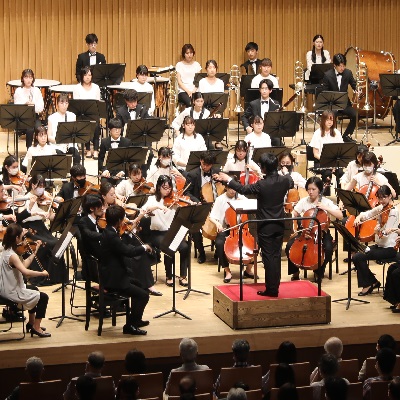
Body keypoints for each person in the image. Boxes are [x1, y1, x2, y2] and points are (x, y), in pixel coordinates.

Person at [215, 153, 293, 296]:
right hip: (279, 224)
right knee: (275, 256)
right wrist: (286, 172)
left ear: (263, 169)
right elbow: (290, 181)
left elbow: (244, 189)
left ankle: (272, 289)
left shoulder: (261, 185)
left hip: (265, 226)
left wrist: (229, 180)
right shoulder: (284, 180)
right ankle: (275, 285)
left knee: (268, 257)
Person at [99, 205, 151, 335]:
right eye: (123, 219)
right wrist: (144, 247)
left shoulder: (108, 231)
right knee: (143, 295)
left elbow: (121, 247)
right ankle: (130, 326)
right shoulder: (112, 236)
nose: (124, 221)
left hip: (114, 274)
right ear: (118, 221)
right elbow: (129, 252)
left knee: (140, 285)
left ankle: (136, 319)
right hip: (114, 280)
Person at [286, 176, 342, 281]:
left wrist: (325, 208)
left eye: (313, 189)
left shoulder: (326, 201)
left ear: (319, 190)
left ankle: (318, 271)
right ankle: (295, 272)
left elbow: (340, 215)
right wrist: (292, 221)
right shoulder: (303, 201)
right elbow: (294, 213)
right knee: (289, 246)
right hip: (304, 232)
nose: (310, 192)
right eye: (308, 189)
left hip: (321, 234)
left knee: (328, 249)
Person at [139, 175, 191, 287]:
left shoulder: (174, 200)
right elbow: (143, 210)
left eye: (169, 188)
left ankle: (183, 276)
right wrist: (157, 207)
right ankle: (169, 275)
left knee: (185, 247)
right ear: (158, 187)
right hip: (157, 234)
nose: (167, 191)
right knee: (168, 246)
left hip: (172, 231)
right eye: (164, 187)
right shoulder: (152, 199)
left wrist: (190, 204)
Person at [0, 224, 50, 337]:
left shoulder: (6, 249)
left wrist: (34, 252)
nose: (24, 240)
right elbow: (25, 272)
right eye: (22, 237)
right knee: (43, 297)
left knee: (34, 289)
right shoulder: (12, 255)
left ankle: (31, 323)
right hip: (11, 291)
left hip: (5, 288)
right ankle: (36, 328)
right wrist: (42, 273)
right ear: (17, 238)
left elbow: (23, 265)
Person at [352, 185, 399, 296]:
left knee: (358, 257)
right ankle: (372, 282)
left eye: (384, 197)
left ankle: (369, 284)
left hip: (389, 248)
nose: (381, 200)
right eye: (379, 198)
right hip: (379, 246)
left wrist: (380, 231)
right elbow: (367, 214)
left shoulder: (394, 212)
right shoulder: (380, 208)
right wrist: (359, 218)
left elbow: (386, 234)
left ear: (390, 196)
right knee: (356, 255)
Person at [208, 178, 253, 283]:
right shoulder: (220, 199)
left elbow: (252, 207)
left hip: (242, 229)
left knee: (256, 242)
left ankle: (248, 269)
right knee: (219, 243)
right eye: (231, 188)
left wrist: (243, 204)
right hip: (227, 229)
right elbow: (212, 217)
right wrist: (218, 224)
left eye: (235, 189)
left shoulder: (241, 197)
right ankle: (227, 270)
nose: (233, 191)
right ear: (226, 187)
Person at [184, 151, 220, 263]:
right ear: (200, 161)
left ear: (212, 164)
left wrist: (220, 179)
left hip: (215, 206)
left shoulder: (217, 172)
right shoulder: (192, 174)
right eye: (203, 164)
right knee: (195, 228)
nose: (205, 167)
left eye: (208, 165)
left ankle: (218, 253)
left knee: (223, 224)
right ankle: (201, 253)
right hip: (199, 206)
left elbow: (224, 189)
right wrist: (196, 201)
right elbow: (186, 192)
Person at [321, 53, 357, 142]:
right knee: (332, 115)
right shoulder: (328, 75)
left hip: (344, 104)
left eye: (344, 66)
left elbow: (354, 85)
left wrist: (357, 90)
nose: (342, 68)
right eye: (340, 66)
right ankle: (332, 137)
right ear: (335, 65)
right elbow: (324, 92)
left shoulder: (348, 73)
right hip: (332, 104)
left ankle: (346, 135)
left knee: (355, 115)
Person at [309, 110, 344, 187]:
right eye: (327, 120)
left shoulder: (337, 133)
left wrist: (334, 164)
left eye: (331, 120)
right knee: (327, 173)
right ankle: (324, 193)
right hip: (321, 161)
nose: (329, 122)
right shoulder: (317, 133)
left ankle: (339, 193)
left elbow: (341, 150)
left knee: (341, 173)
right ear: (323, 120)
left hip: (335, 162)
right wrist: (328, 163)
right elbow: (315, 154)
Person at [73, 66, 101, 159]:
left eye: (89, 75)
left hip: (93, 113)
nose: (88, 77)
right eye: (85, 75)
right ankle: (88, 149)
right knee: (85, 124)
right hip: (82, 114)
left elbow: (98, 103)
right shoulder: (77, 88)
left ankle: (96, 150)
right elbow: (76, 104)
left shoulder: (96, 87)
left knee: (96, 125)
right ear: (82, 76)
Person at [242, 79, 281, 146]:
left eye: (266, 89)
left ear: (270, 90)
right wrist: (247, 127)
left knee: (279, 143)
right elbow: (244, 116)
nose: (264, 91)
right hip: (257, 132)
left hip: (271, 134)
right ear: (260, 90)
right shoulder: (253, 104)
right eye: (262, 88)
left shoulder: (276, 104)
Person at [13, 69, 44, 149]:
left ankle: (38, 149)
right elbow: (16, 106)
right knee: (29, 129)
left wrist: (33, 105)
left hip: (34, 116)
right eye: (26, 77)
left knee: (39, 129)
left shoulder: (37, 90)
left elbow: (41, 107)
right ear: (23, 79)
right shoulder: (18, 91)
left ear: (33, 79)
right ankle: (29, 149)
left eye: (30, 77)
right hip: (22, 118)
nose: (28, 80)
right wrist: (25, 104)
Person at [47, 93, 80, 165]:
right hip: (57, 145)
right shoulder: (51, 118)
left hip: (69, 144)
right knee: (60, 157)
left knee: (76, 156)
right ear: (57, 104)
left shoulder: (72, 116)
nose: (64, 105)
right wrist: (58, 140)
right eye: (61, 103)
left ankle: (75, 174)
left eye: (66, 103)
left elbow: (75, 132)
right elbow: (49, 137)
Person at [98, 118, 132, 183]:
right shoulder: (104, 142)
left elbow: (129, 161)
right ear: (109, 130)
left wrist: (123, 172)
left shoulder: (127, 142)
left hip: (121, 173)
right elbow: (101, 159)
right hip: (108, 172)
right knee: (104, 183)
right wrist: (105, 170)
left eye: (119, 129)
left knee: (121, 184)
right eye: (114, 129)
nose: (117, 131)